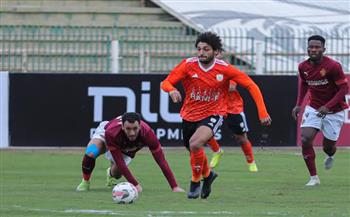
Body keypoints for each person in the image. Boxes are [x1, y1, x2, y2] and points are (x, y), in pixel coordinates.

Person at [161, 31, 271, 199]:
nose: (201, 53)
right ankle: (208, 175)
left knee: (195, 143)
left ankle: (195, 181)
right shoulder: (188, 65)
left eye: (206, 49)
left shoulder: (225, 69)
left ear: (216, 52)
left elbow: (251, 85)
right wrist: (172, 90)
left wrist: (262, 113)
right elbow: (166, 82)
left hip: (215, 112)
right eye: (199, 49)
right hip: (189, 114)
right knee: (193, 149)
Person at [76, 112, 184, 193]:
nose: (132, 133)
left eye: (135, 128)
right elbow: (119, 161)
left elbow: (161, 161)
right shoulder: (111, 133)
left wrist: (174, 186)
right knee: (91, 152)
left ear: (140, 126)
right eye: (128, 128)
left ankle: (110, 175)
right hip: (106, 134)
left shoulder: (148, 134)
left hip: (127, 148)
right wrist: (135, 185)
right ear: (123, 127)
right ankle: (85, 182)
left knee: (117, 173)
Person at [292, 35, 349, 186]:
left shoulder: (333, 66)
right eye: (311, 47)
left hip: (334, 111)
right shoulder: (303, 67)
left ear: (324, 49)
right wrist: (299, 104)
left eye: (317, 47)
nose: (313, 49)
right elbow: (304, 84)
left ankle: (330, 155)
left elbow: (344, 89)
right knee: (305, 138)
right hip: (314, 107)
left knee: (328, 147)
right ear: (307, 48)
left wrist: (328, 106)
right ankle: (314, 177)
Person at [208, 80, 259, 172]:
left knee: (241, 138)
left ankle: (251, 162)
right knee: (205, 132)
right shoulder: (208, 71)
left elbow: (231, 88)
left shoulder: (228, 70)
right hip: (216, 108)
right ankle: (217, 151)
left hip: (233, 108)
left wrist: (212, 87)